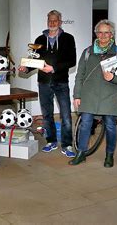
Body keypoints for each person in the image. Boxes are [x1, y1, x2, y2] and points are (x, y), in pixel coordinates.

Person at [69, 20, 117, 166]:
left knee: (110, 125)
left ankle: (109, 155)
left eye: (107, 32)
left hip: (109, 96)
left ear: (111, 35)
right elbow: (80, 75)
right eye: (100, 32)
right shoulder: (88, 52)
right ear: (96, 34)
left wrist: (113, 78)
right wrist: (77, 95)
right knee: (85, 125)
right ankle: (81, 153)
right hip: (89, 96)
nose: (103, 35)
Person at [18, 10, 76, 157]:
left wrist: (54, 68)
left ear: (60, 22)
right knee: (47, 115)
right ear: (47, 21)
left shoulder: (68, 38)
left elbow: (72, 61)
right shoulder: (39, 39)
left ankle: (67, 145)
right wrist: (26, 68)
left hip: (61, 82)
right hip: (43, 83)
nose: (52, 23)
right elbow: (34, 59)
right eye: (50, 20)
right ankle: (51, 141)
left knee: (66, 115)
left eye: (55, 20)